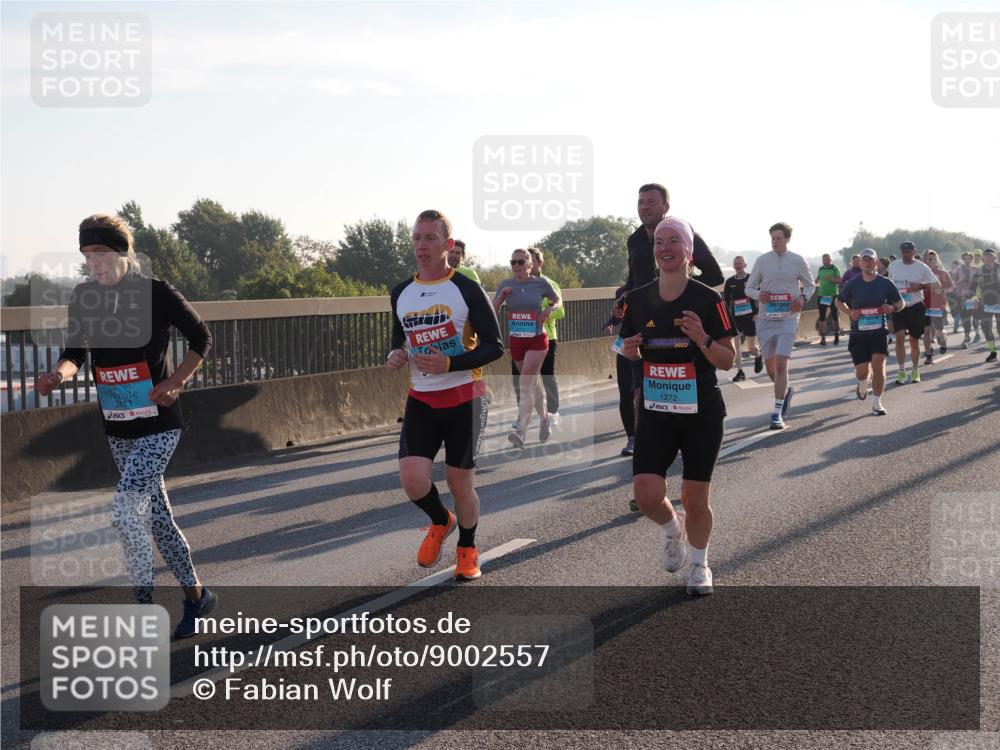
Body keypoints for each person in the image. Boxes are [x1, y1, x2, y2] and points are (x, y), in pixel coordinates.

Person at [35, 212, 216, 639]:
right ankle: (197, 597)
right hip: (118, 427)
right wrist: (56, 375)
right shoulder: (84, 297)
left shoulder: (155, 292)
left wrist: (175, 381)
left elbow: (201, 338)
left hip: (159, 424)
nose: (93, 264)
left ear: (121, 252)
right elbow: (75, 352)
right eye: (86, 255)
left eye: (100, 254)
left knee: (125, 512)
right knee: (157, 519)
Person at [619, 217, 737, 595]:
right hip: (655, 410)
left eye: (673, 242)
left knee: (696, 498)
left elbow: (727, 360)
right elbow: (623, 346)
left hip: (701, 412)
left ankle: (700, 565)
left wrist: (702, 337)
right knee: (647, 495)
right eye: (659, 243)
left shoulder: (708, 299)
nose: (665, 248)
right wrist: (629, 349)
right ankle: (674, 529)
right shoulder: (636, 300)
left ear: (688, 251)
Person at [387, 210, 504, 580]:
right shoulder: (401, 292)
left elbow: (495, 346)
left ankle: (468, 547)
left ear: (447, 245)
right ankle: (442, 520)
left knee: (459, 483)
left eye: (430, 239)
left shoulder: (466, 289)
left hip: (464, 398)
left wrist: (450, 363)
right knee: (412, 480)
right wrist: (397, 353)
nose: (422, 246)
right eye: (417, 238)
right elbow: (400, 334)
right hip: (421, 399)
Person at [744, 222, 815, 429]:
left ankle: (776, 413)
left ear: (787, 239)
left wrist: (802, 299)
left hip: (788, 318)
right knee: (771, 367)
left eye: (779, 238)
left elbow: (810, 284)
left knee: (782, 363)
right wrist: (760, 295)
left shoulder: (797, 260)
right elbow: (748, 288)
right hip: (766, 319)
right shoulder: (762, 260)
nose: (775, 241)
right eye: (773, 238)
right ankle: (786, 390)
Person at [493, 249, 560, 447]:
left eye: (521, 262)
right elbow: (492, 310)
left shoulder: (540, 283)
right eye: (513, 262)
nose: (516, 266)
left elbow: (557, 300)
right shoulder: (506, 285)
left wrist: (549, 309)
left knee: (524, 383)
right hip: (517, 341)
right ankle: (545, 417)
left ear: (530, 264)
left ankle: (521, 431)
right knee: (532, 383)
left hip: (537, 340)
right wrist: (501, 298)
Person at [836, 249, 904, 416]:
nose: (867, 262)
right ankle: (861, 383)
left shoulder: (886, 283)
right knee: (863, 372)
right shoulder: (852, 283)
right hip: (858, 334)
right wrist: (849, 312)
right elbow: (838, 301)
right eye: (864, 260)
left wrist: (892, 307)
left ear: (876, 263)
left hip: (879, 332)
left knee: (878, 365)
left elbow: (901, 303)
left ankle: (877, 403)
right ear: (860, 263)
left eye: (870, 260)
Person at [511, 247, 564, 427]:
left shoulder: (548, 283)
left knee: (547, 376)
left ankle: (552, 412)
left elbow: (560, 310)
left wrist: (544, 313)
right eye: (523, 261)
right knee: (520, 378)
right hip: (521, 336)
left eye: (532, 261)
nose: (528, 264)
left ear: (539, 263)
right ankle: (523, 415)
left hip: (546, 336)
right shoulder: (516, 284)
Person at [888, 241, 940, 384]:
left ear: (914, 251)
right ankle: (901, 370)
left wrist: (921, 286)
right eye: (903, 251)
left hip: (916, 307)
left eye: (908, 251)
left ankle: (915, 370)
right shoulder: (893, 265)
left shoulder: (921, 267)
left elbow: (937, 285)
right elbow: (889, 283)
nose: (906, 254)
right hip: (899, 306)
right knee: (899, 337)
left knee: (913, 340)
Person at [602, 285, 635, 458]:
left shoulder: (660, 285)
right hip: (625, 344)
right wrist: (611, 320)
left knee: (647, 393)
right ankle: (633, 437)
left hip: (654, 346)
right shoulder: (622, 292)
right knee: (626, 393)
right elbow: (618, 314)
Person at [722, 255, 762, 381]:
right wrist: (727, 318)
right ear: (733, 266)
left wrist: (758, 313)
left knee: (751, 347)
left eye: (740, 263)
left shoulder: (752, 279)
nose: (738, 265)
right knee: (737, 345)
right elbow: (726, 303)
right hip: (736, 318)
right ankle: (740, 371)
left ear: (745, 265)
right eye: (736, 263)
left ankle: (758, 355)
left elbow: (760, 297)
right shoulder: (729, 282)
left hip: (751, 317)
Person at [921, 250, 953, 364]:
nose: (931, 261)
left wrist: (942, 288)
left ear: (937, 260)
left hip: (939, 306)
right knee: (927, 331)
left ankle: (943, 341)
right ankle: (928, 355)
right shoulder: (921, 273)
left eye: (933, 259)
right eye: (929, 259)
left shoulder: (943, 273)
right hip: (925, 305)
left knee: (939, 334)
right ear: (925, 260)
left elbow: (951, 285)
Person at [971, 248, 1000, 362]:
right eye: (985, 256)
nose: (988, 258)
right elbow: (973, 288)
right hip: (985, 303)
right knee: (986, 329)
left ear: (994, 257)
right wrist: (975, 299)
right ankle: (993, 352)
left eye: (990, 256)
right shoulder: (979, 271)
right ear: (983, 258)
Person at [953, 252, 979, 348]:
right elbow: (953, 280)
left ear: (972, 259)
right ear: (963, 259)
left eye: (969, 259)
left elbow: (979, 283)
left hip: (973, 297)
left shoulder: (976, 269)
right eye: (965, 259)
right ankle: (966, 337)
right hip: (961, 296)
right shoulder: (959, 269)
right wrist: (959, 283)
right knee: (965, 317)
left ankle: (976, 333)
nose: (967, 260)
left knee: (973, 316)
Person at [814, 253, 842, 345]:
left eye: (827, 260)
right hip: (823, 295)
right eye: (823, 260)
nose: (825, 262)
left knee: (834, 316)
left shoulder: (834, 268)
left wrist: (831, 279)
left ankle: (837, 333)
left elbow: (839, 280)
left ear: (830, 260)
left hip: (833, 295)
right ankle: (823, 337)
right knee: (822, 317)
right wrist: (816, 280)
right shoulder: (821, 269)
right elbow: (818, 278)